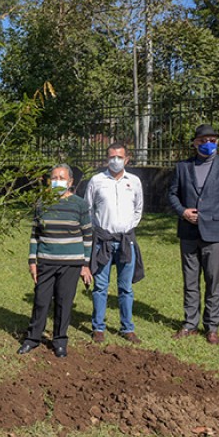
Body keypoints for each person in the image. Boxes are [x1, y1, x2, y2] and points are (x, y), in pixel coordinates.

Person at [168, 124, 219, 345]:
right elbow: (172, 194)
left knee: (213, 281)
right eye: (203, 140)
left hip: (216, 233)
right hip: (188, 232)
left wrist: (218, 217)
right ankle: (190, 324)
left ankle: (212, 327)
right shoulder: (183, 167)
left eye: (212, 139)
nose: (208, 143)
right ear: (194, 143)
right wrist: (183, 212)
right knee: (190, 281)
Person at [18, 164, 93, 358]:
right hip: (46, 260)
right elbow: (35, 234)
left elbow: (87, 235)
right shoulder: (42, 203)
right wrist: (32, 261)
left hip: (71, 262)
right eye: (54, 177)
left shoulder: (80, 204)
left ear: (70, 182)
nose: (57, 181)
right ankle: (33, 338)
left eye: (61, 177)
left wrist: (85, 265)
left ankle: (60, 340)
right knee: (41, 300)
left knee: (64, 301)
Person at [85, 143, 145, 344]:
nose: (115, 161)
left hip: (126, 241)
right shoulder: (97, 181)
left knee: (125, 287)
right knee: (100, 286)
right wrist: (99, 230)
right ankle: (98, 327)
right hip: (103, 242)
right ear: (106, 159)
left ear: (127, 159)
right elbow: (88, 209)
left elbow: (138, 209)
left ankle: (127, 328)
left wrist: (126, 228)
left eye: (119, 157)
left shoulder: (134, 181)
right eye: (112, 157)